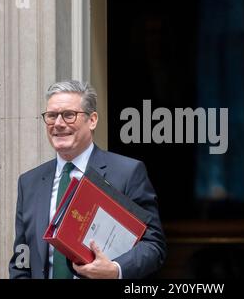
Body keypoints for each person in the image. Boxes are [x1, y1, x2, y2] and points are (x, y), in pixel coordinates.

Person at [9, 80, 166, 279]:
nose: (58, 123)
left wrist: (116, 270)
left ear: (92, 120)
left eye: (68, 115)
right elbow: (22, 257)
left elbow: (154, 246)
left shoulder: (127, 173)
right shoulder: (29, 182)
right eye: (51, 116)